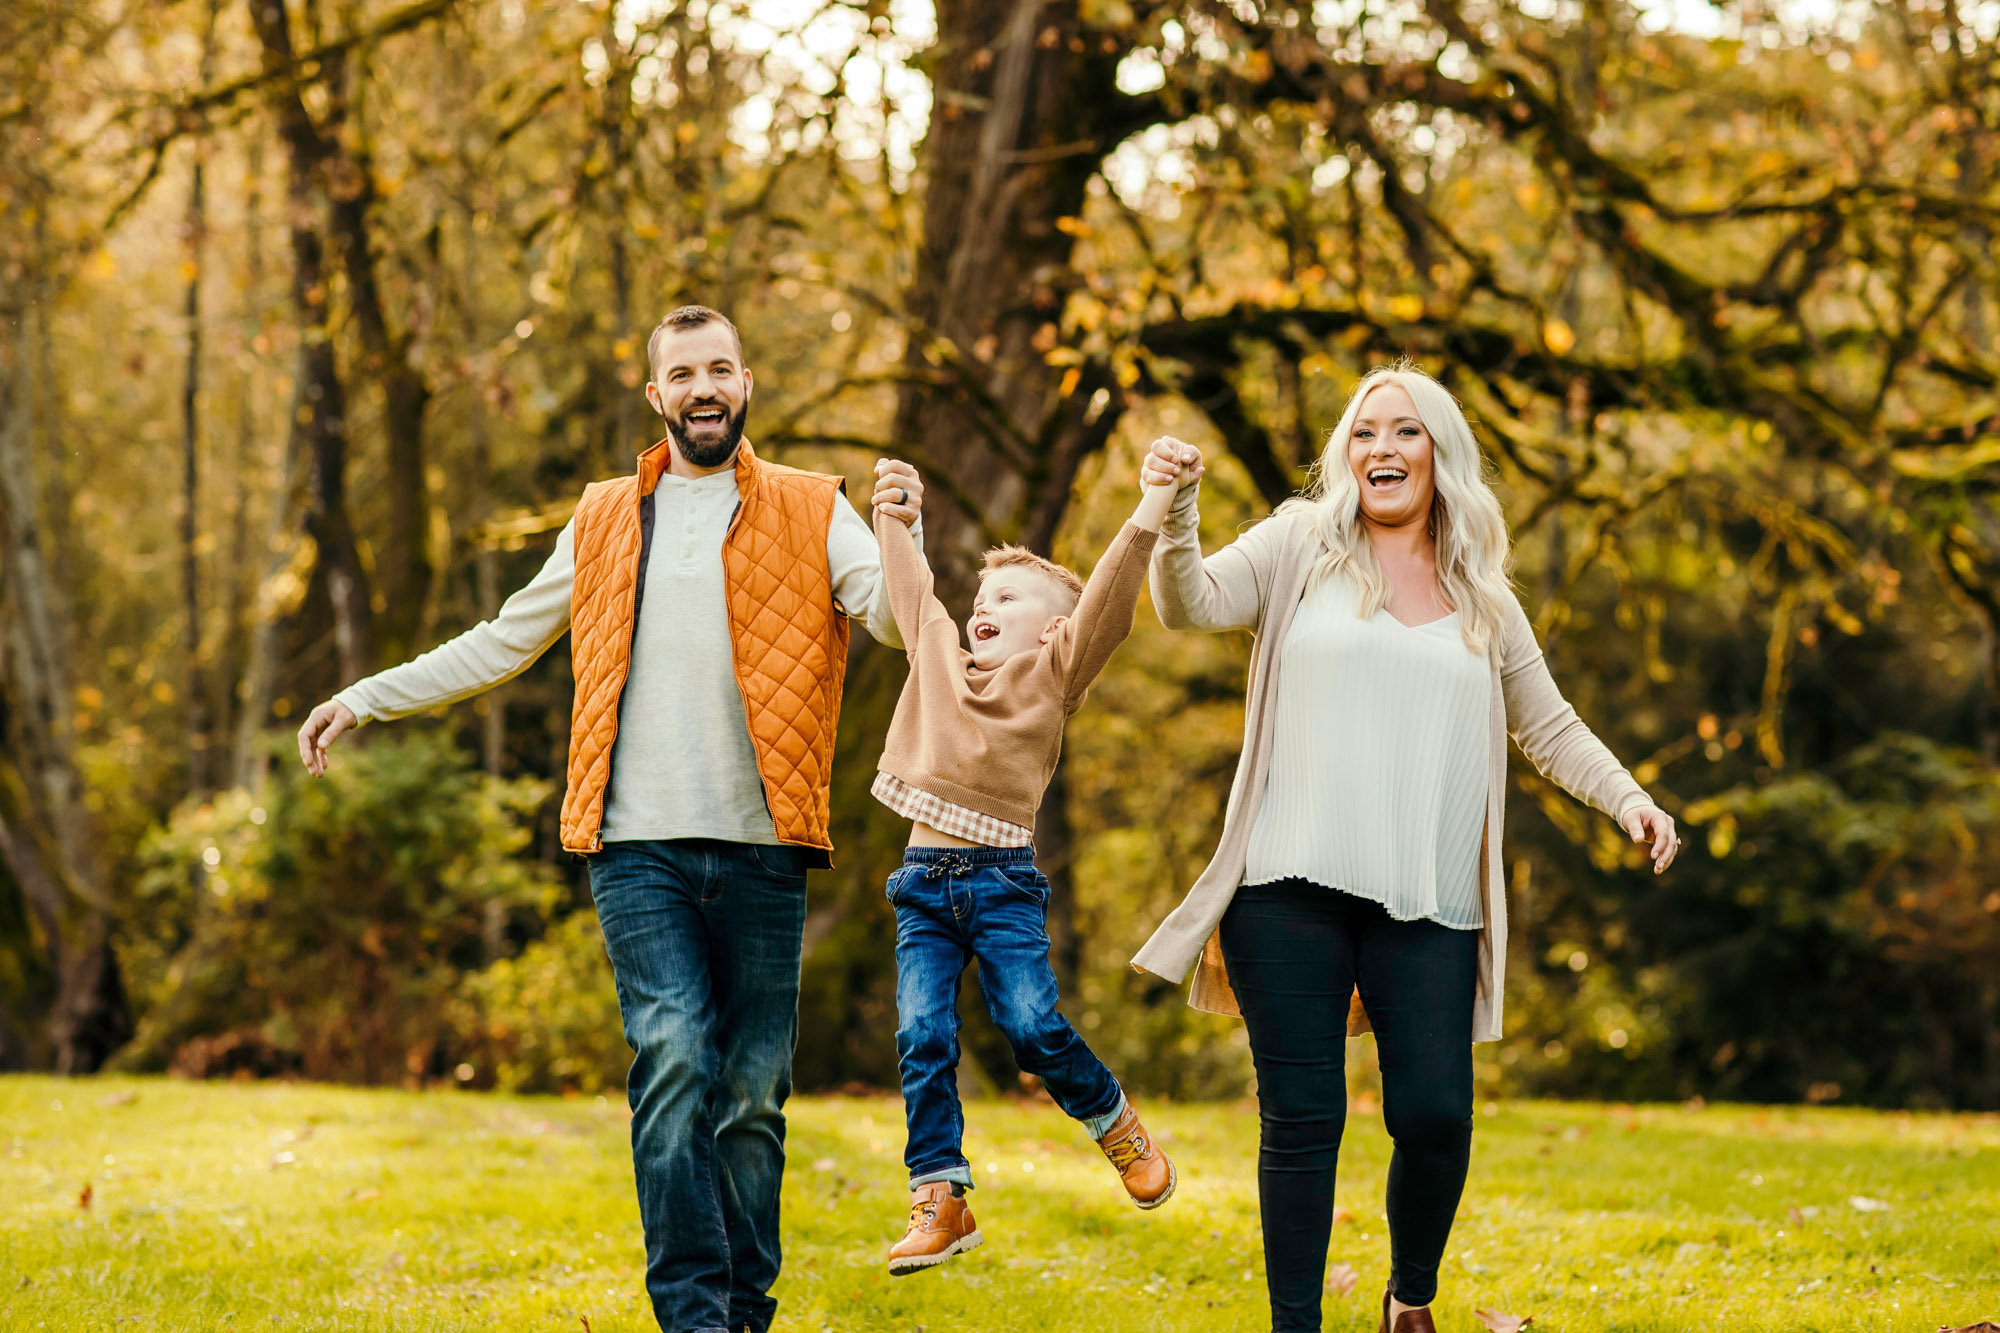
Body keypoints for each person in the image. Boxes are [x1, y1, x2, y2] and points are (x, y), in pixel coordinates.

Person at [293, 304, 926, 1333]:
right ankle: (692, 1316)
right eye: (684, 374)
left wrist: (901, 532)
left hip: (767, 847)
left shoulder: (816, 508)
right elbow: (503, 640)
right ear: (655, 395)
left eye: (720, 368)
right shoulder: (599, 517)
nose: (704, 388)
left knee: (751, 1099)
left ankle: (742, 1308)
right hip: (635, 848)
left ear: (747, 382)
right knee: (675, 1055)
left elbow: (898, 622)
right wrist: (364, 695)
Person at [1130, 363, 1681, 1333]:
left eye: (1405, 432)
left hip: (1427, 900)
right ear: (1346, 454)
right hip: (1284, 886)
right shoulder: (1300, 543)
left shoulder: (1482, 597)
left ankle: (1407, 1297)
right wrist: (1173, 513)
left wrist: (1628, 799)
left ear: (1440, 454)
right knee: (1302, 1122)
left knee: (1432, 1114)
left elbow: (1546, 727)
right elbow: (1191, 604)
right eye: (1364, 432)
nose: (1381, 449)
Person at [866, 454, 1185, 1275]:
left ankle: (1114, 1121)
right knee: (921, 1031)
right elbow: (912, 587)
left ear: (1050, 630)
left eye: (1007, 598)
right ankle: (940, 1196)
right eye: (982, 599)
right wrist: (896, 514)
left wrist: (1151, 501)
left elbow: (1110, 603)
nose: (983, 608)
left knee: (1032, 1025)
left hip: (1003, 885)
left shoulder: (1053, 672)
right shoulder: (935, 653)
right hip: (923, 891)